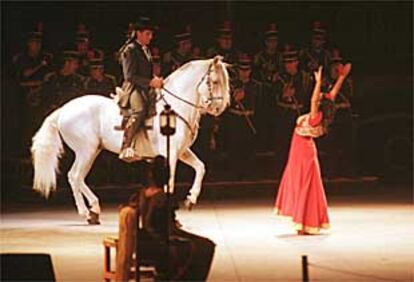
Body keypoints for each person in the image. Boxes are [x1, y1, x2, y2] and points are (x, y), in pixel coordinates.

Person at [274, 63, 352, 235]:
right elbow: (333, 94)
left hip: (302, 150)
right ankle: (304, 222)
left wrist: (317, 82)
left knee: (304, 184)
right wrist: (341, 77)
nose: (325, 93)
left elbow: (313, 99)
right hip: (303, 149)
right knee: (304, 184)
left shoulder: (316, 115)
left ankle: (304, 221)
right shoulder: (326, 111)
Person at [116, 155, 216, 281]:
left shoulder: (142, 193)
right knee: (204, 246)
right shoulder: (162, 197)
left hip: (144, 240)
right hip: (157, 242)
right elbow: (167, 229)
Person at [117, 16, 164, 161]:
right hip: (133, 88)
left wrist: (156, 79)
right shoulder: (129, 50)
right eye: (147, 34)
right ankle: (126, 147)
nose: (150, 37)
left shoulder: (146, 50)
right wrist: (150, 82)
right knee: (140, 110)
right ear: (138, 33)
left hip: (146, 87)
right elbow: (129, 76)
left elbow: (147, 72)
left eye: (151, 34)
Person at [274, 44, 312, 173]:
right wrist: (283, 96)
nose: (289, 65)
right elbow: (271, 100)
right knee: (283, 148)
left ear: (297, 62)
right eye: (286, 63)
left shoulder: (306, 78)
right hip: (283, 117)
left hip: (299, 117)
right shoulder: (278, 78)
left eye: (292, 62)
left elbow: (308, 98)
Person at [223, 53, 261, 179]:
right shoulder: (231, 85)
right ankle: (233, 173)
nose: (244, 73)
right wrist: (234, 99)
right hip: (234, 119)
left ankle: (249, 173)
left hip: (249, 119)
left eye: (247, 70)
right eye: (242, 70)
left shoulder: (256, 86)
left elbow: (259, 104)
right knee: (234, 148)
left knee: (248, 149)